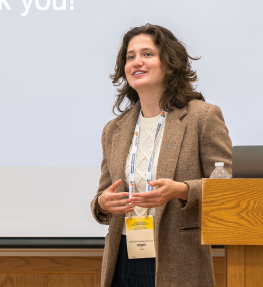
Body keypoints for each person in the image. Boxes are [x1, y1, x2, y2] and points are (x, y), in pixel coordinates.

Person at [90, 24, 232, 287]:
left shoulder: (202, 117)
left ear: (169, 64)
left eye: (147, 54)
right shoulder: (114, 130)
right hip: (123, 252)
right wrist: (103, 203)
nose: (136, 62)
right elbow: (102, 196)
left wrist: (181, 189)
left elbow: (224, 188)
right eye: (130, 57)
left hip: (177, 257)